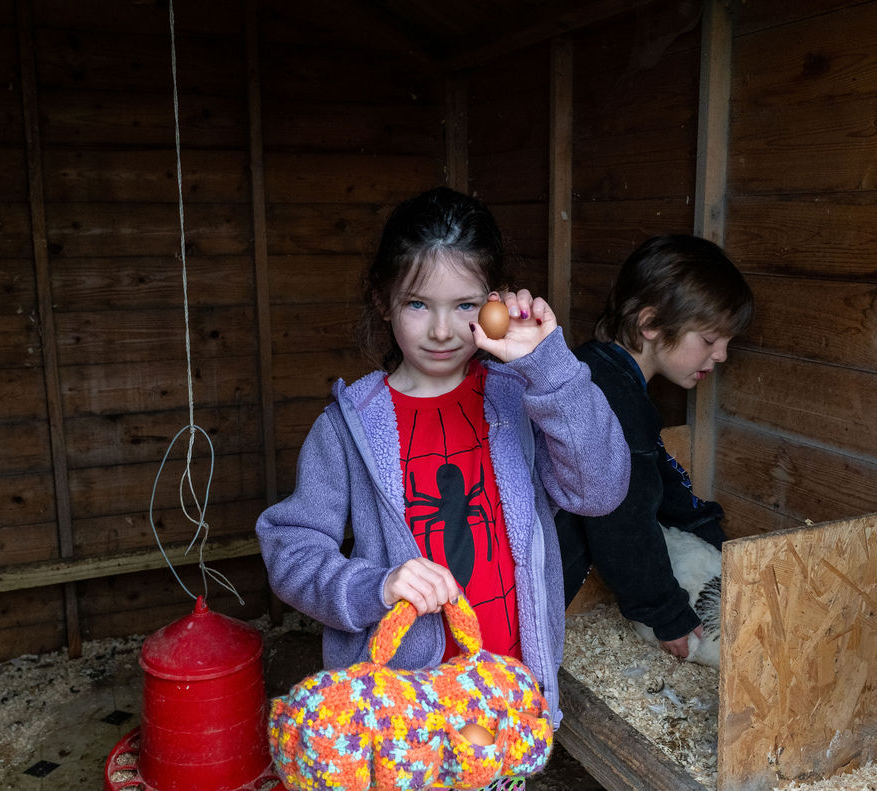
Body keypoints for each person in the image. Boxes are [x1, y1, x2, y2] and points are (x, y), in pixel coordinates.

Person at [255, 186, 630, 746]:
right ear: (383, 300)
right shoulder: (346, 428)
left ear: (495, 304)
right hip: (400, 703)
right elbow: (291, 550)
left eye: (464, 306)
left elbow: (600, 489)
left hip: (507, 688)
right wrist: (375, 585)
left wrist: (550, 367)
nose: (440, 331)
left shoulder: (521, 400)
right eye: (417, 304)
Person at [555, 233, 754, 659]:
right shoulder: (616, 403)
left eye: (727, 343)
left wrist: (711, 533)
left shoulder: (594, 370)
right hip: (533, 587)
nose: (721, 355)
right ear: (649, 324)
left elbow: (656, 473)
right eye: (708, 339)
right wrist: (666, 613)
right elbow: (622, 522)